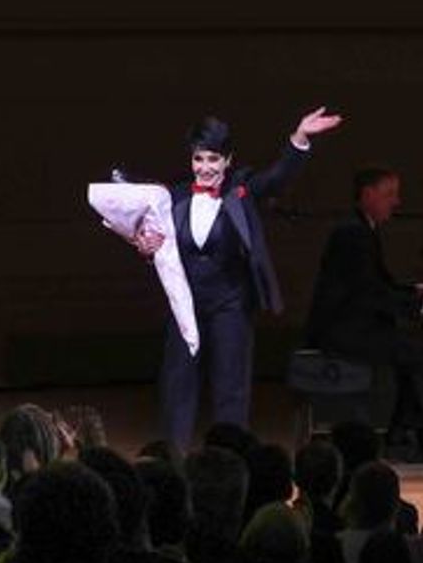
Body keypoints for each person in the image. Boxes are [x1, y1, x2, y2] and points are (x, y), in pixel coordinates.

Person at [134, 107, 342, 449]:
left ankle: (230, 460)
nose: (205, 167)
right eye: (198, 159)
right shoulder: (175, 197)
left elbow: (277, 178)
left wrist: (300, 137)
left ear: (228, 160)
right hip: (184, 304)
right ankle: (173, 459)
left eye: (213, 159)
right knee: (177, 384)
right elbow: (154, 242)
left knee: (231, 387)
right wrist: (146, 246)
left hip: (230, 303)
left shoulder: (241, 190)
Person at [305, 167, 423, 461]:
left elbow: (377, 284)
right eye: (390, 195)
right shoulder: (353, 233)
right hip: (345, 334)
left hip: (353, 327)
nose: (396, 202)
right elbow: (368, 293)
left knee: (414, 353)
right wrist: (419, 305)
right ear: (368, 195)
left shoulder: (359, 228)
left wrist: (416, 290)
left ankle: (404, 432)